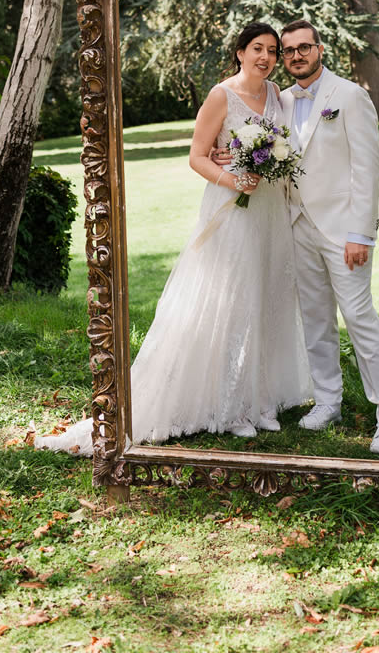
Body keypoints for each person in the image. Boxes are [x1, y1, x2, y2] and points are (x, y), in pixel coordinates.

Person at [36, 22, 311, 455]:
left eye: (272, 50)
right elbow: (197, 157)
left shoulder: (276, 93)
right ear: (240, 52)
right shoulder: (221, 95)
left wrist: (268, 163)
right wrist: (233, 178)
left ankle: (262, 401)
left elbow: (283, 145)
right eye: (258, 48)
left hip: (270, 211)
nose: (266, 57)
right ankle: (232, 408)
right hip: (233, 211)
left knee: (268, 297)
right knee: (236, 302)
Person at [278, 19, 379, 455]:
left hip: (343, 232)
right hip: (297, 227)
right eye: (289, 50)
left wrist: (361, 234)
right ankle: (328, 401)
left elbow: (367, 170)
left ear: (320, 48)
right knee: (315, 320)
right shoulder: (281, 100)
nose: (296, 55)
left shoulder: (350, 96)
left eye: (304, 47)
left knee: (359, 319)